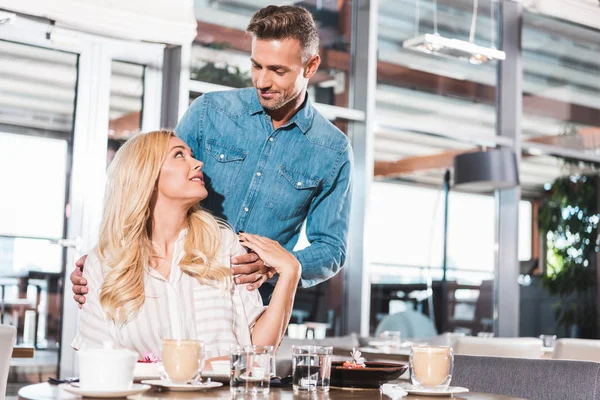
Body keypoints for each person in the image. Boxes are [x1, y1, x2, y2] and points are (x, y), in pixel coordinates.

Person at [71, 5, 353, 305]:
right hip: (175, 291)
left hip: (254, 306)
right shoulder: (210, 112)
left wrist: (274, 265)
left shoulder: (332, 151)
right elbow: (151, 186)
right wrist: (108, 258)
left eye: (277, 70)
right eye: (257, 66)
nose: (262, 81)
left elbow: (331, 248)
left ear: (310, 67)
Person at [72, 130, 300, 358]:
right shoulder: (102, 264)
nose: (198, 163)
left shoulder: (223, 244)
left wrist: (290, 272)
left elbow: (258, 352)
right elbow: (97, 361)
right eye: (179, 155)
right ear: (146, 174)